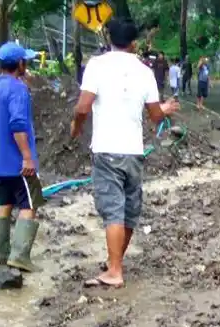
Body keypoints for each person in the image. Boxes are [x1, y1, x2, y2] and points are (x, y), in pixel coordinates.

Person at [71, 17, 179, 288]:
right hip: (133, 151)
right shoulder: (144, 71)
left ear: (109, 39)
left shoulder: (96, 65)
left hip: (107, 150)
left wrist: (75, 127)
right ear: (134, 44)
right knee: (129, 209)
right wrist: (163, 110)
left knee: (113, 211)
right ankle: (114, 263)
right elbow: (156, 117)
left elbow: (83, 107)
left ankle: (115, 270)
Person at [0, 42, 44, 272]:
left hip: (0, 161)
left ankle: (1, 254)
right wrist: (28, 157)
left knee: (5, 203)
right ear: (20, 64)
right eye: (25, 61)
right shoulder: (18, 89)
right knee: (29, 205)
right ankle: (20, 256)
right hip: (18, 162)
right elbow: (18, 125)